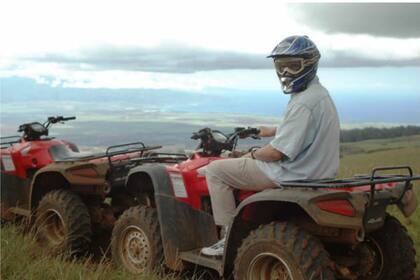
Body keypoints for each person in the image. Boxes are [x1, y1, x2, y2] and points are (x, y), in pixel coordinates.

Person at [201, 35, 340, 256]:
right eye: (281, 66)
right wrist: (267, 131)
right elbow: (303, 128)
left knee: (216, 170)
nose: (285, 73)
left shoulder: (303, 102)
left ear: (310, 63)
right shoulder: (318, 94)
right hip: (317, 171)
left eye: (293, 66)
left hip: (291, 174)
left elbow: (276, 153)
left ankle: (226, 239)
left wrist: (251, 154)